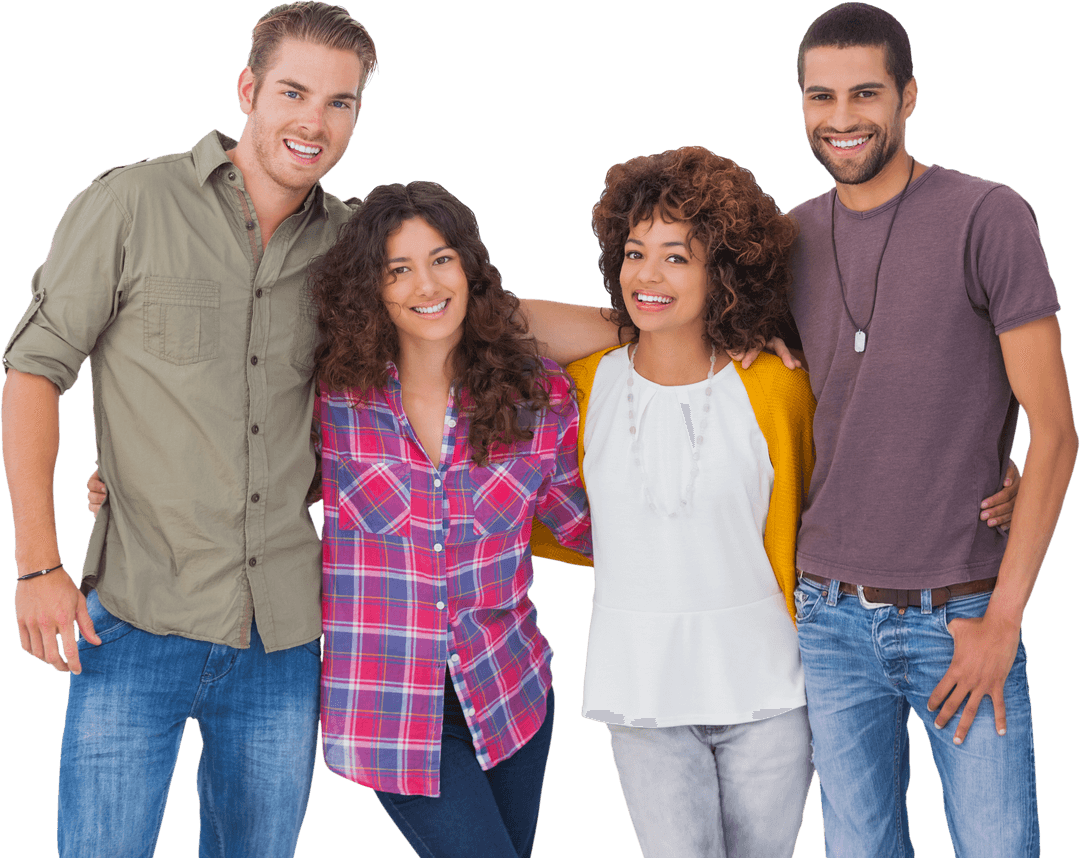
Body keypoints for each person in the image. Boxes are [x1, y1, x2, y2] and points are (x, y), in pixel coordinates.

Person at [1, 3, 378, 855]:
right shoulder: (131, 203)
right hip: (135, 618)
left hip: (281, 638)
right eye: (293, 91)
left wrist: (662, 327)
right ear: (248, 89)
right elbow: (34, 373)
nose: (313, 121)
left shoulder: (355, 244)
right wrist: (37, 564)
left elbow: (471, 314)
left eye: (340, 102)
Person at [787, 4, 1076, 857]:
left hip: (962, 614)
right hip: (826, 618)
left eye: (866, 93)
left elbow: (1056, 431)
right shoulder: (790, 236)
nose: (842, 119)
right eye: (820, 96)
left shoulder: (989, 216)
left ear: (909, 96)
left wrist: (1007, 621)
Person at [534, 145, 815, 857]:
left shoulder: (776, 387)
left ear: (723, 274)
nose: (647, 275)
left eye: (677, 258)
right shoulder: (589, 384)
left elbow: (836, 500)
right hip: (643, 688)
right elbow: (485, 317)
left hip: (772, 691)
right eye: (635, 253)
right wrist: (635, 322)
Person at [307, 180, 591, 858]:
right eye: (397, 269)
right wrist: (125, 481)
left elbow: (585, 526)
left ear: (469, 268)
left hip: (511, 692)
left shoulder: (535, 396)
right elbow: (247, 476)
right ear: (371, 289)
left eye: (440, 260)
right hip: (388, 711)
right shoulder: (334, 401)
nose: (424, 284)